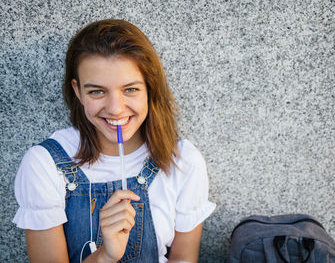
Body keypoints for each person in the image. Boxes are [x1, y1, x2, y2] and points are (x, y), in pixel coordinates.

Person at [13, 19, 216, 263]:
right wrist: (105, 256)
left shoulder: (183, 161)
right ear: (77, 91)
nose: (116, 109)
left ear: (150, 88)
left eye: (130, 89)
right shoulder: (45, 165)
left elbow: (184, 259)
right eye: (97, 91)